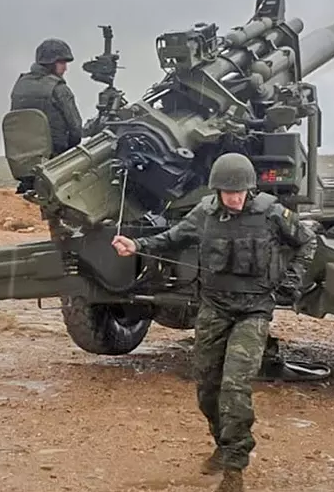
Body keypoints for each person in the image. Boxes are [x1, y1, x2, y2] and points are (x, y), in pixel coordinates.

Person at [111, 152, 316, 492]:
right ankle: (221, 445)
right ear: (217, 190)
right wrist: (137, 245)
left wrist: (291, 282)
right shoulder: (204, 213)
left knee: (235, 387)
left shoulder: (271, 213)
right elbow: (172, 238)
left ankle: (235, 468)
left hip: (253, 312)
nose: (234, 198)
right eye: (227, 192)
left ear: (249, 190)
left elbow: (307, 241)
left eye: (239, 192)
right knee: (207, 389)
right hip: (214, 309)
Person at [9, 37, 84, 158]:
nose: (65, 68)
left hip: (22, 159)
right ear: (50, 62)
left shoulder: (20, 84)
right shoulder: (59, 89)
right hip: (54, 159)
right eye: (62, 63)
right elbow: (76, 130)